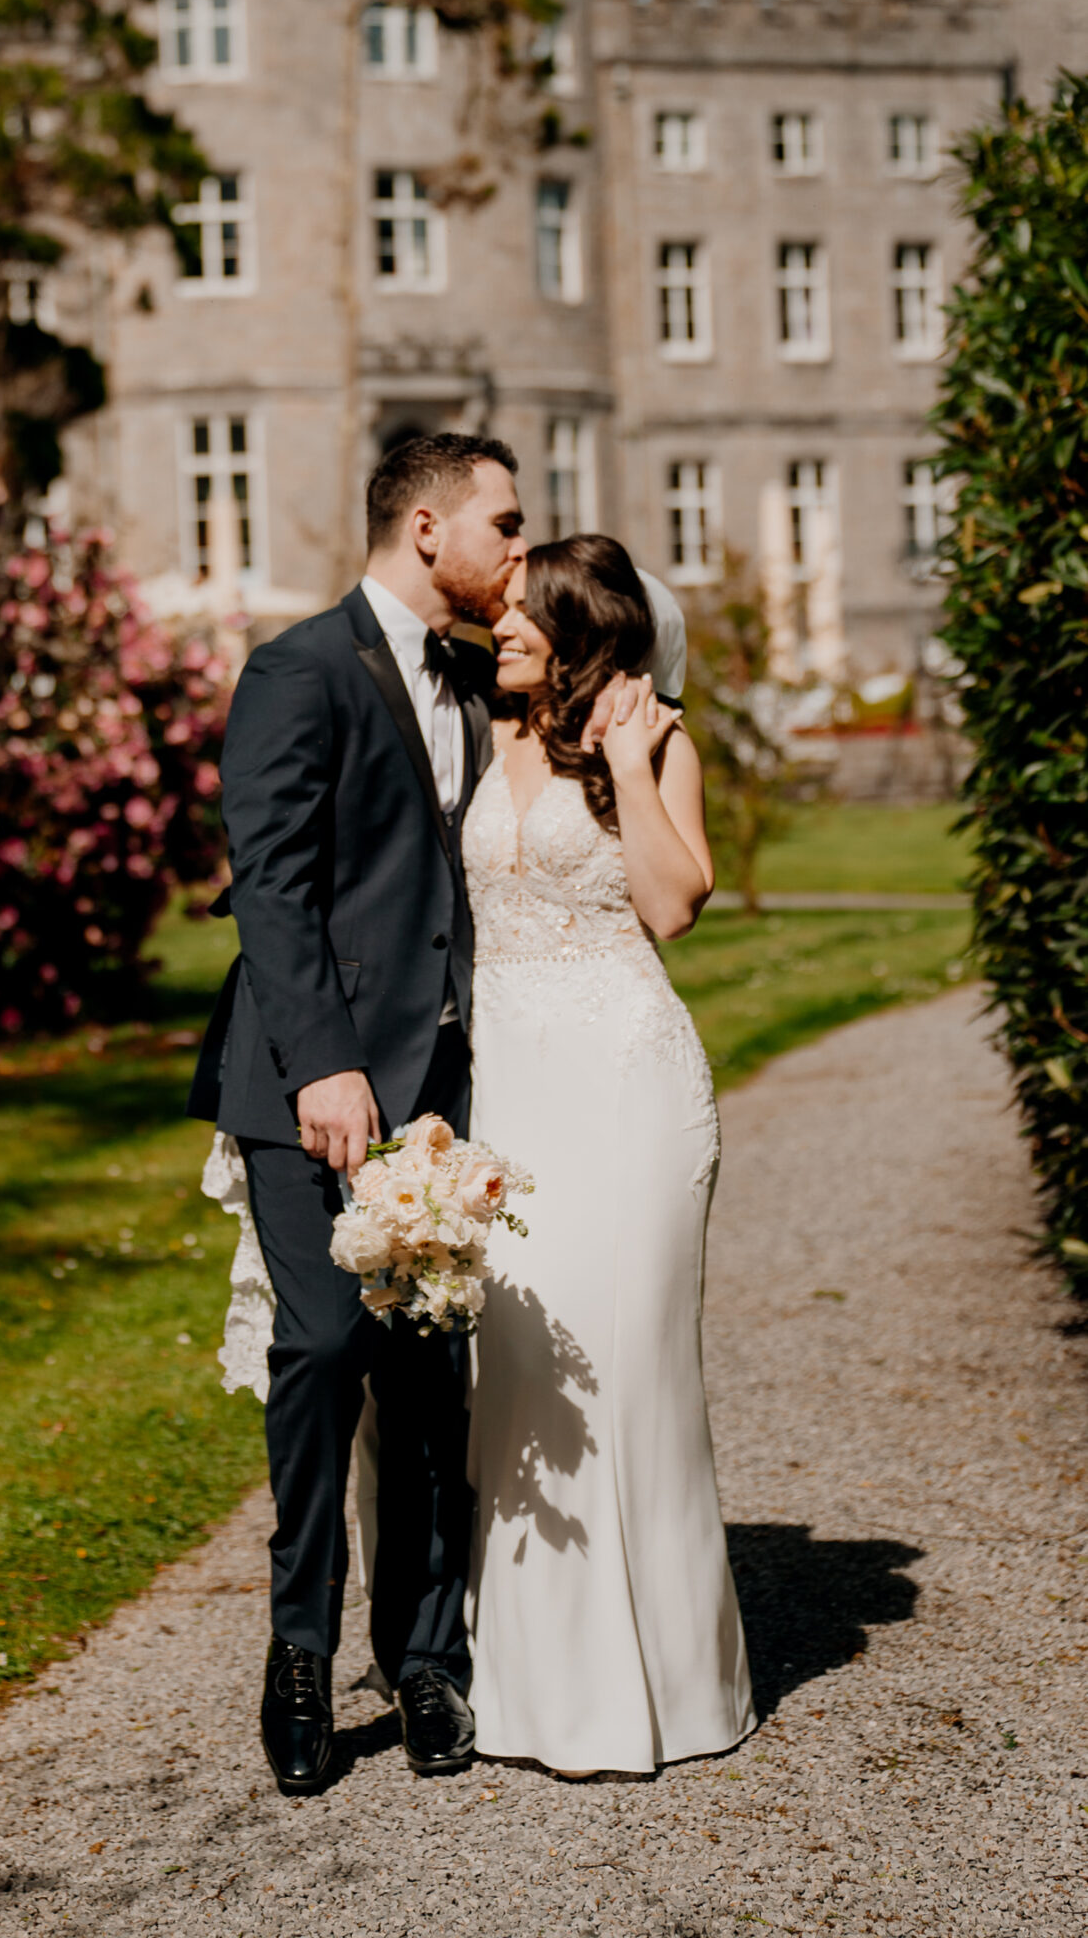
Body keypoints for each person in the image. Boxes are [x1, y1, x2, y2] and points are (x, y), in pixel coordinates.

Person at [190, 433, 523, 1793]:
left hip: (440, 1092)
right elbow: (267, 884)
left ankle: (425, 1660)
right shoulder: (297, 668)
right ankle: (295, 1661)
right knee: (321, 1360)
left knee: (427, 1375)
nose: (517, 546)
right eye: (502, 523)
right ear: (426, 524)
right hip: (304, 1085)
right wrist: (325, 1066)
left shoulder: (475, 672)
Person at [463, 534, 755, 1773]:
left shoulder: (660, 737)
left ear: (581, 627)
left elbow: (673, 904)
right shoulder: (482, 735)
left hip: (630, 1083)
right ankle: (521, 1686)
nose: (502, 628)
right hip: (507, 1084)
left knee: (625, 1372)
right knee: (516, 1368)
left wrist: (632, 765)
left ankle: (665, 1690)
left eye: (524, 614)